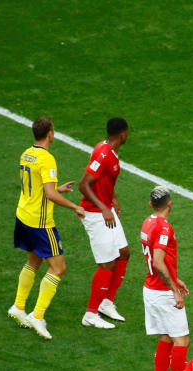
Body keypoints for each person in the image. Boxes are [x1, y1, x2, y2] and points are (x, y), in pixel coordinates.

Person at [8, 117, 85, 340]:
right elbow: (49, 195)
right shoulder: (47, 159)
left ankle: (19, 307)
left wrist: (56, 188)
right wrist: (74, 207)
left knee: (33, 261)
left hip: (23, 215)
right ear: (50, 133)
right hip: (39, 223)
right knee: (59, 268)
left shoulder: (26, 154)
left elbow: (37, 186)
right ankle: (37, 315)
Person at [141, 185, 193, 371]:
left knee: (166, 337)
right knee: (182, 340)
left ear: (151, 205)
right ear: (169, 203)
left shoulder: (147, 222)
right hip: (163, 292)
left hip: (152, 289)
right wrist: (174, 288)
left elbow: (158, 263)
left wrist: (175, 278)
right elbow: (158, 261)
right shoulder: (164, 228)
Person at [78, 117, 130, 329]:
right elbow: (84, 185)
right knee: (107, 263)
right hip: (95, 213)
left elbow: (103, 180)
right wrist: (103, 207)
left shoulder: (107, 149)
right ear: (123, 134)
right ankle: (90, 314)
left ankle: (106, 302)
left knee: (124, 252)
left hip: (105, 208)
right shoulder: (103, 153)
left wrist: (112, 198)